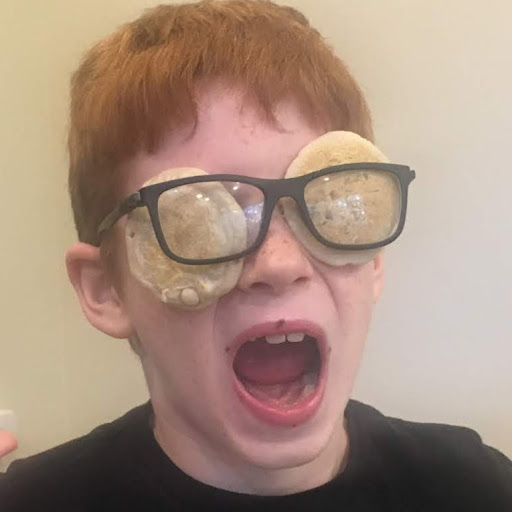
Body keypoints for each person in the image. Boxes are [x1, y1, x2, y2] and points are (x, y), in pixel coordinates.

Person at [1, 1, 511, 510]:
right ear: (106, 289)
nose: (280, 264)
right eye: (197, 221)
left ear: (373, 260)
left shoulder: (476, 487)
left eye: (328, 206)